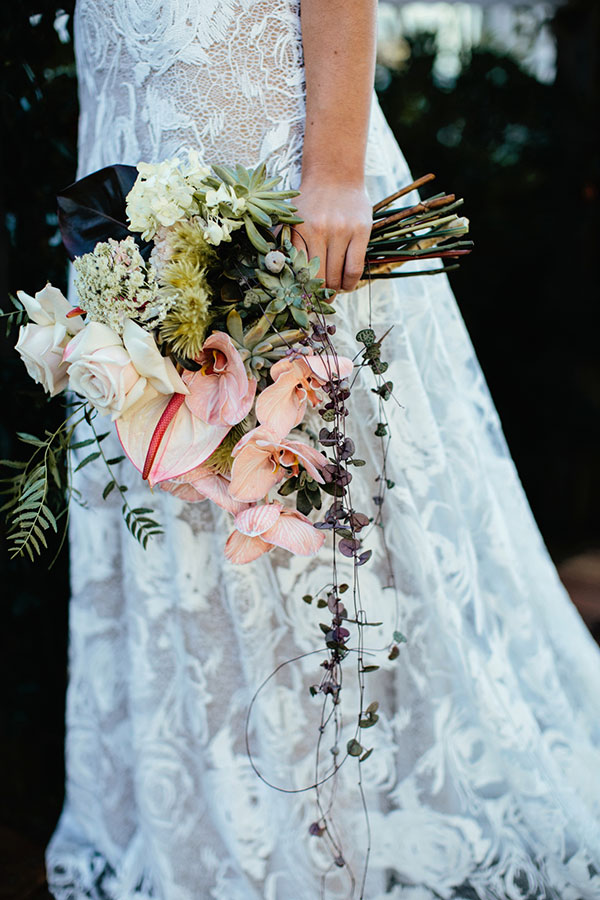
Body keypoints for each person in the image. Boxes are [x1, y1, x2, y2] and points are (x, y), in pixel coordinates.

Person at [46, 1, 600, 898]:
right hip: (131, 113)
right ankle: (232, 808)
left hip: (256, 121)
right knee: (175, 467)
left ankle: (371, 820)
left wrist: (335, 164)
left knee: (328, 478)